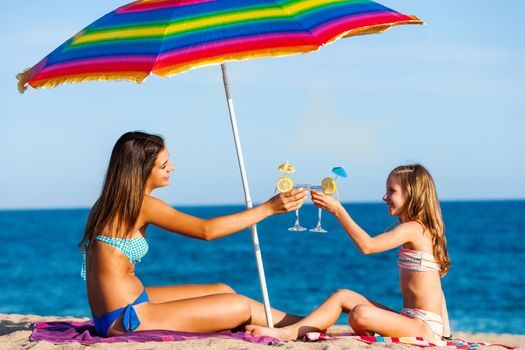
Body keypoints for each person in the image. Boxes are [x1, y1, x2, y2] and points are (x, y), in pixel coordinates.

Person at [79, 131, 306, 337]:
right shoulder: (143, 205)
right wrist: (268, 208)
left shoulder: (105, 204)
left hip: (118, 310)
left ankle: (301, 322)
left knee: (223, 290)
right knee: (240, 306)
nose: (172, 168)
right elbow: (206, 230)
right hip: (127, 319)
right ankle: (303, 325)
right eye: (163, 164)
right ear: (141, 169)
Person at [247, 164, 451, 341]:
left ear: (412, 194)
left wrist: (338, 210)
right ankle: (290, 331)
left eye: (392, 191)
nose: (385, 196)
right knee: (343, 296)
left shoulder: (414, 228)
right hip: (411, 319)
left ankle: (291, 332)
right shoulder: (420, 229)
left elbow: (368, 246)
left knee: (360, 314)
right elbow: (437, 291)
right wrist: (448, 335)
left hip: (423, 327)